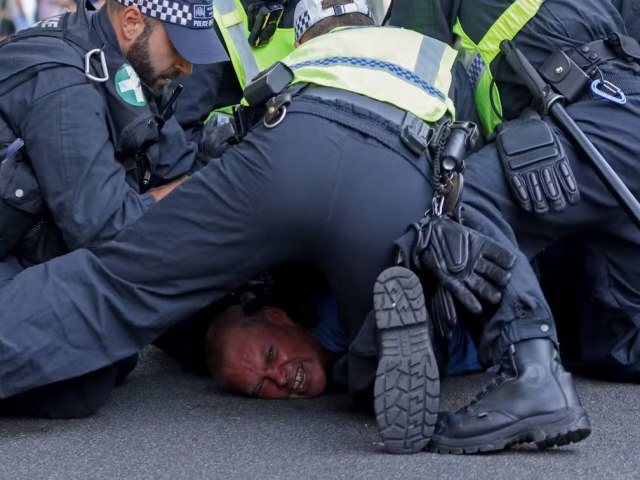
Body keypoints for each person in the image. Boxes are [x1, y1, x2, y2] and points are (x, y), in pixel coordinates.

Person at [0, 0, 590, 455]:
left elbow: (227, 136)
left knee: (116, 285)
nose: (185, 64)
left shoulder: (301, 58)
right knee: (399, 311)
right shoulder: (436, 55)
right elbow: (472, 160)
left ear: (309, 31)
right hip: (400, 165)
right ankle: (379, 362)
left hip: (290, 141)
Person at [384, 0, 640, 453]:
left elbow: (411, 70)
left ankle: (531, 376)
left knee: (458, 199)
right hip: (621, 116)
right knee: (617, 344)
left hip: (584, 116)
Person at [0, 0, 227, 418]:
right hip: (18, 248)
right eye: (178, 46)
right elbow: (106, 228)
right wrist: (205, 186)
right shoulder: (64, 82)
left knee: (106, 355)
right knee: (81, 382)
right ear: (131, 22)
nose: (188, 66)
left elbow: (173, 163)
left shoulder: (123, 65)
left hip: (29, 249)